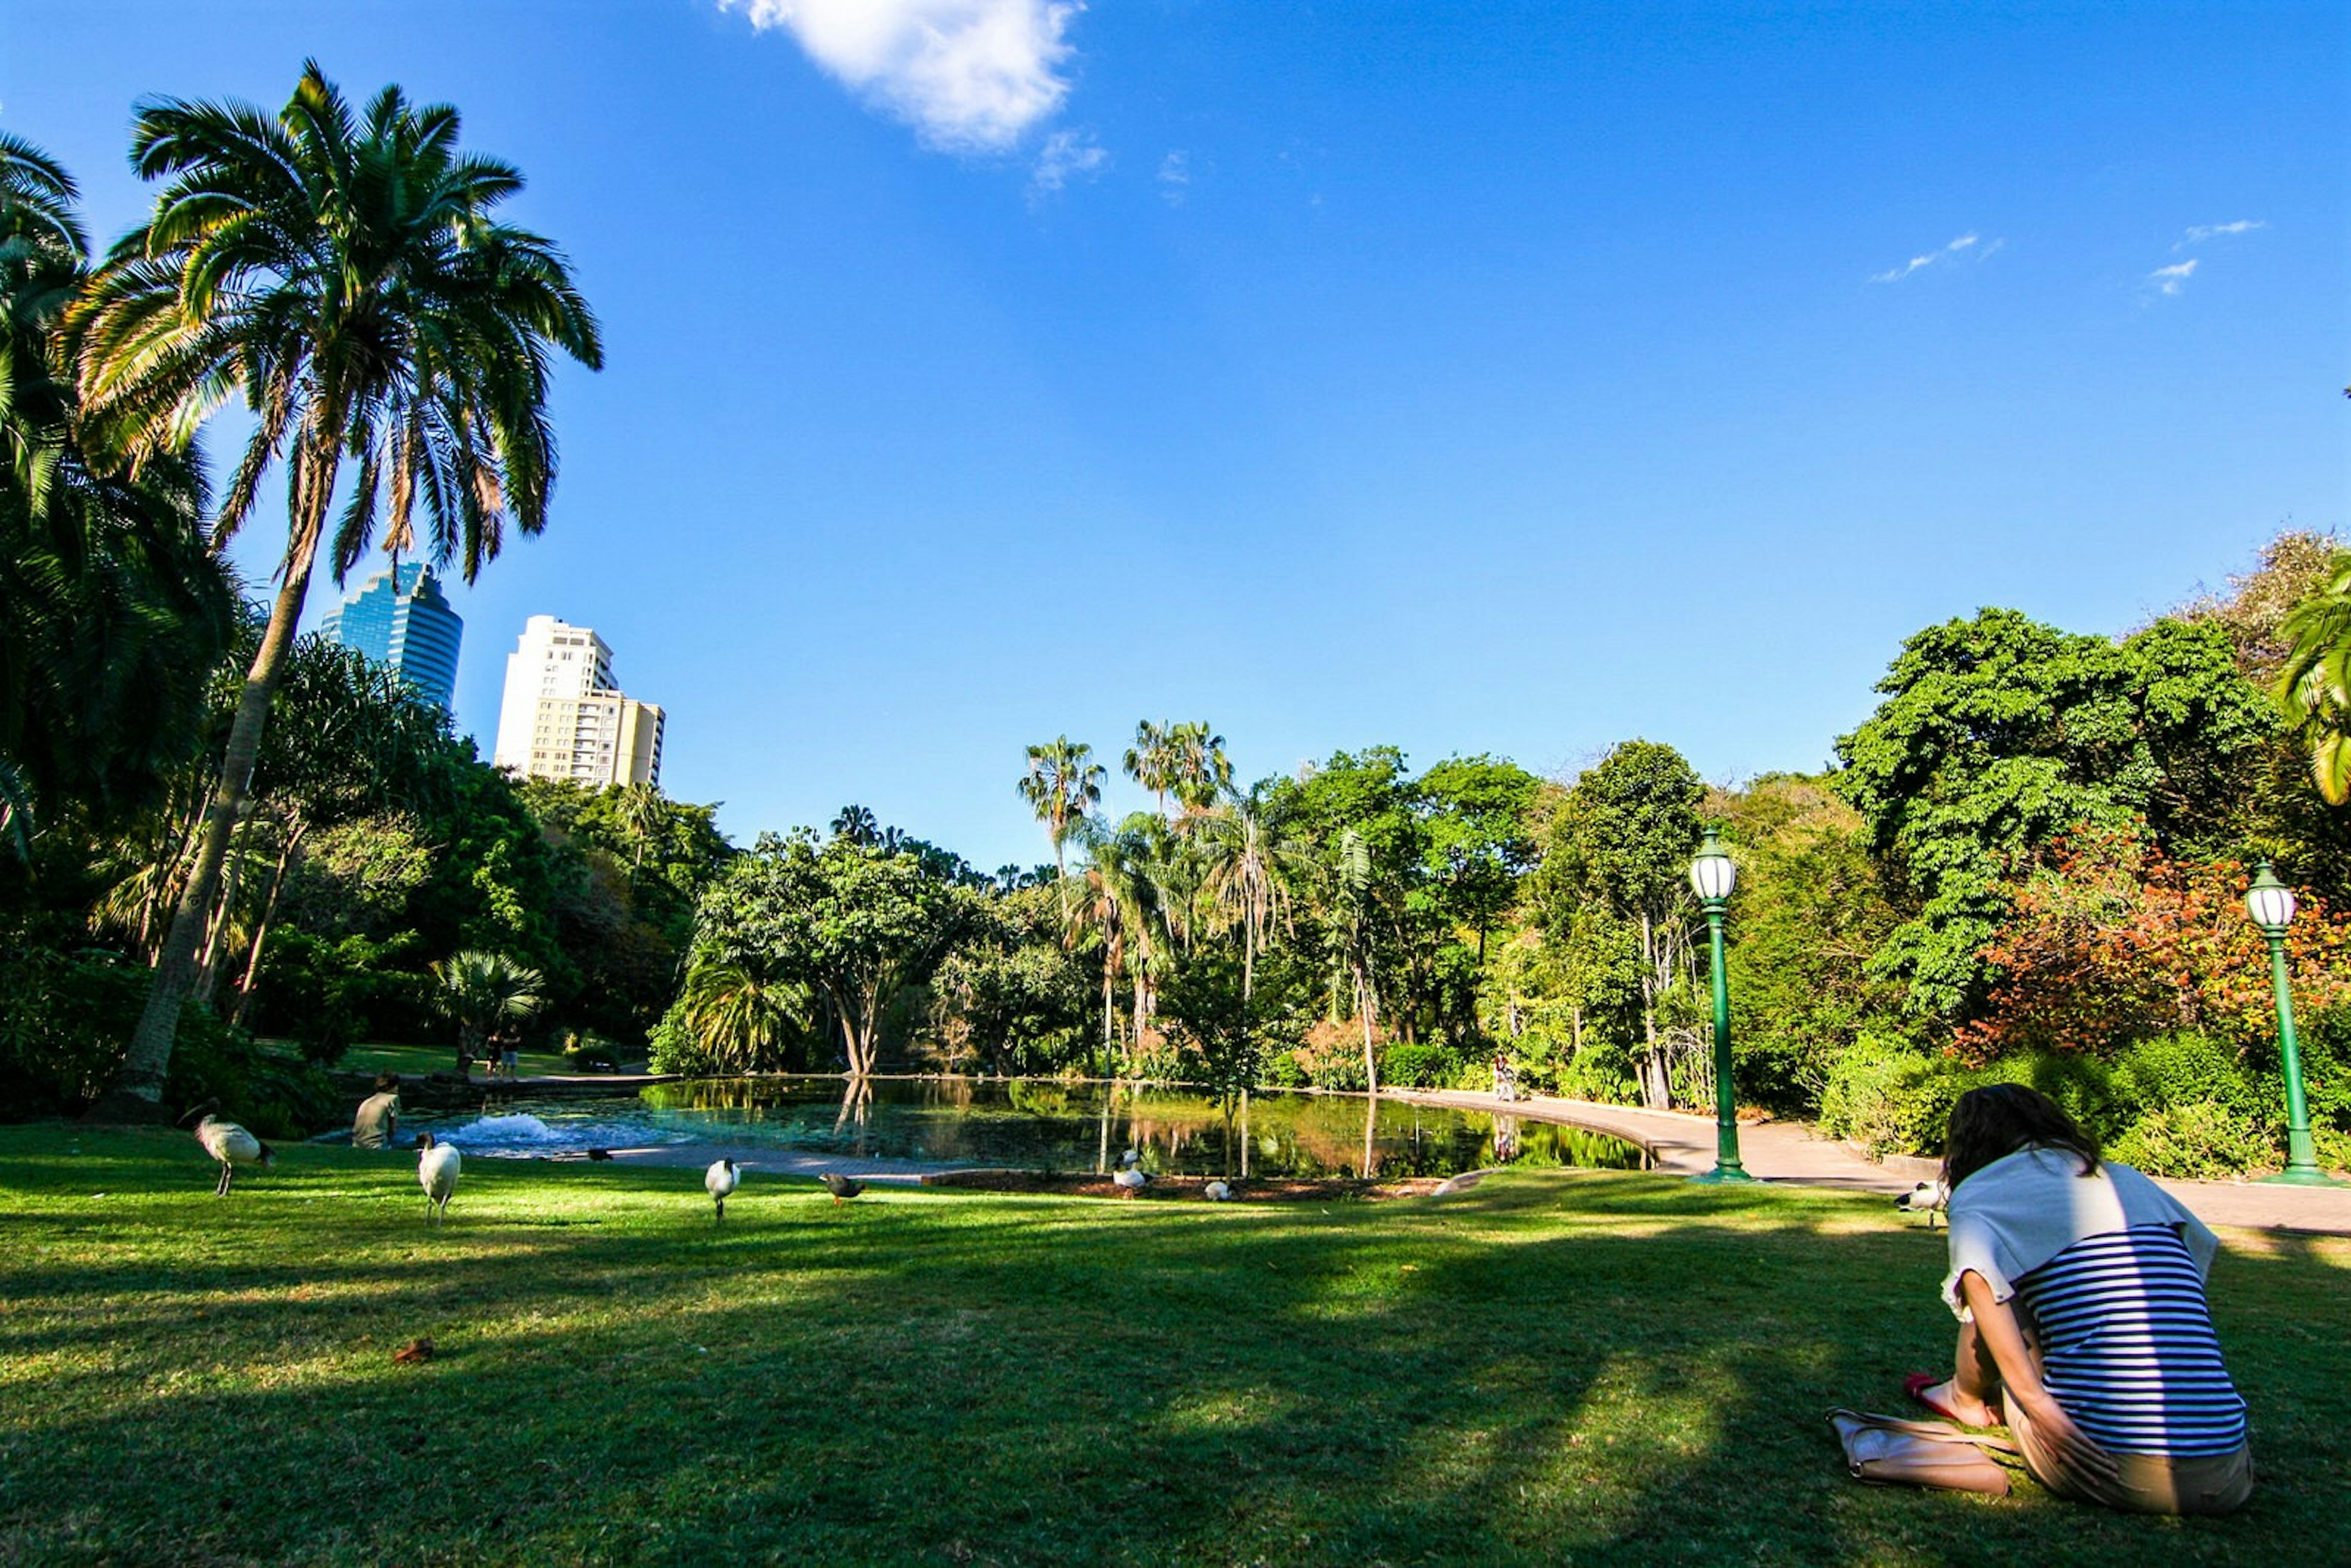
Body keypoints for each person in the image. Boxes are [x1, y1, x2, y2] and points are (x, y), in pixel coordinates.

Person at [1910, 1084, 2252, 1515]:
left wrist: (2040, 1409)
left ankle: (1965, 1398)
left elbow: (1979, 1284)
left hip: (2105, 1468)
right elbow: (2193, 1261)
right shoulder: (2130, 1181)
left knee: (1998, 1283)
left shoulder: (1981, 1195)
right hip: (2228, 1470)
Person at [351, 1074, 402, 1150]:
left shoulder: (369, 1100)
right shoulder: (393, 1098)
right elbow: (392, 1130)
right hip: (377, 1146)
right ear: (394, 1087)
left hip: (357, 1144)